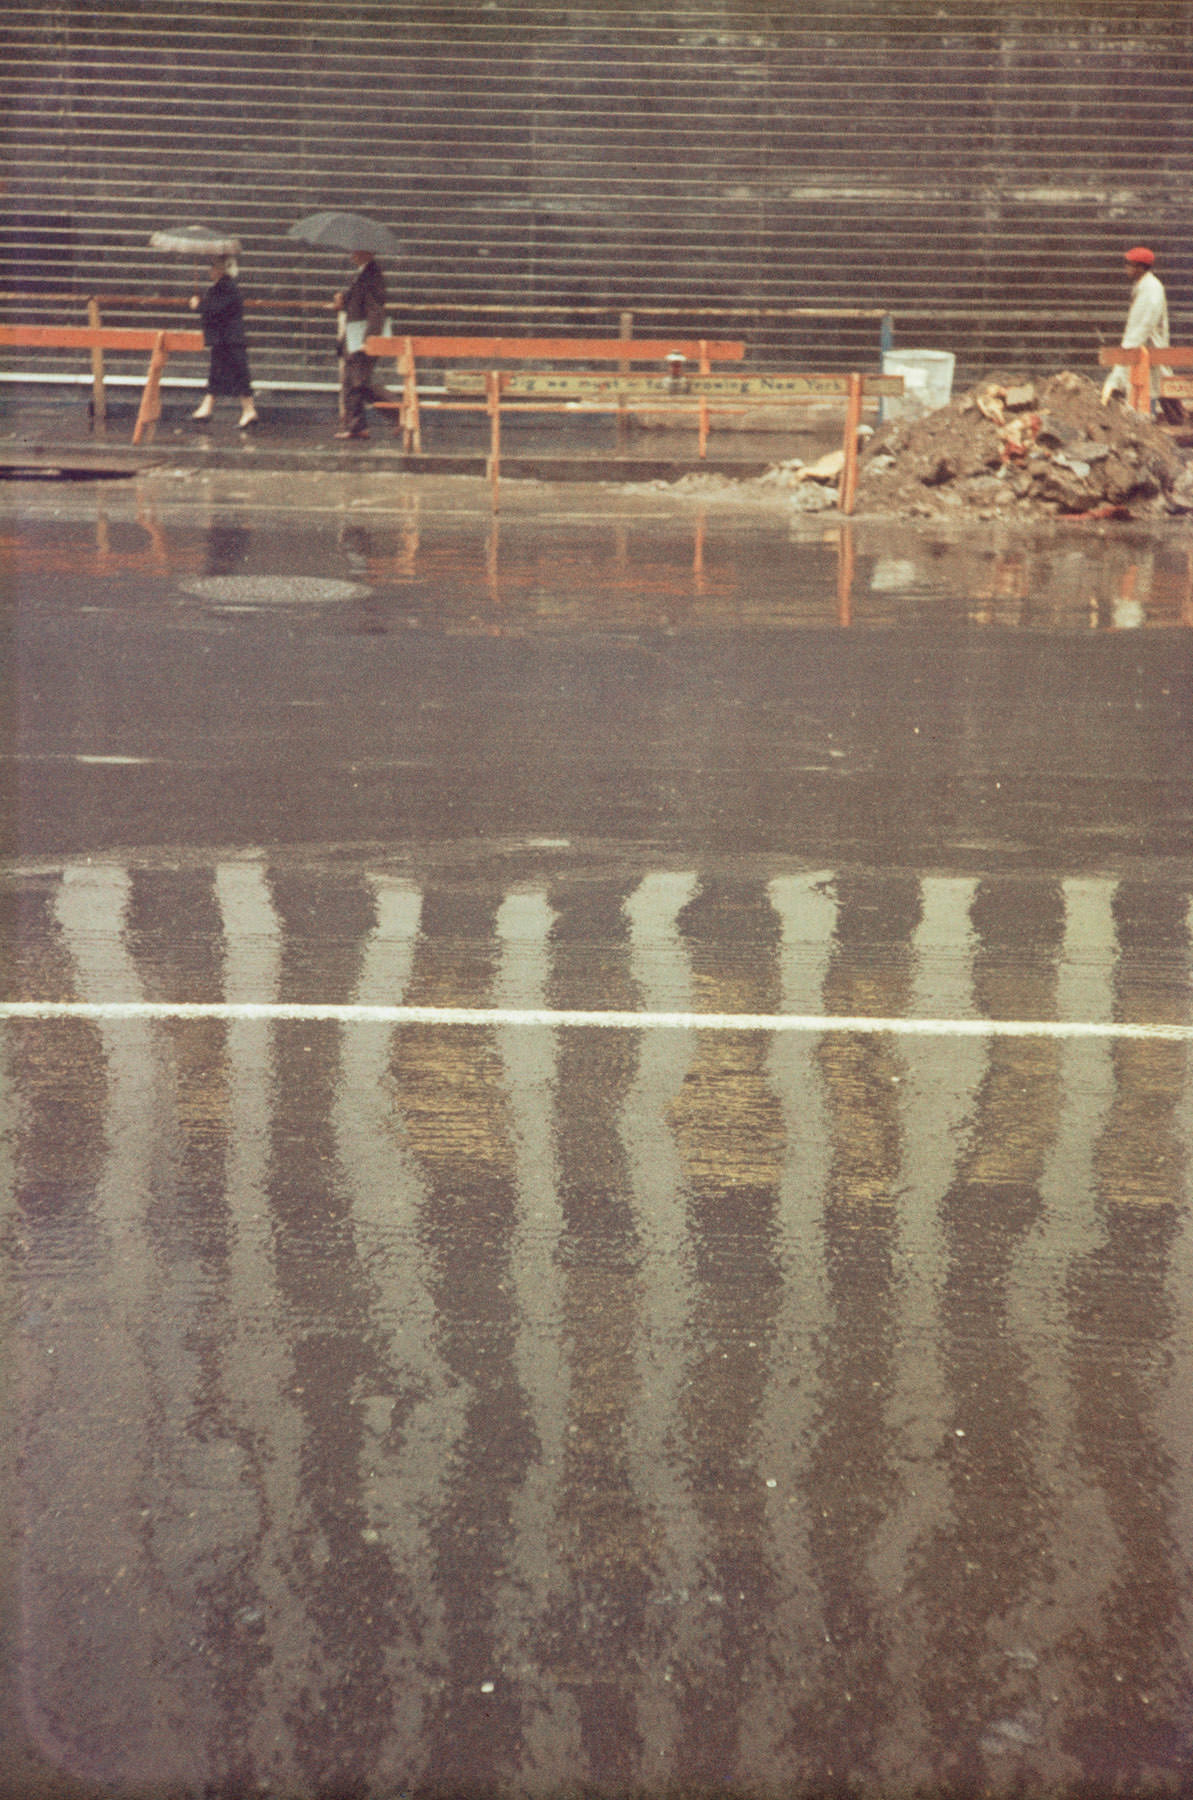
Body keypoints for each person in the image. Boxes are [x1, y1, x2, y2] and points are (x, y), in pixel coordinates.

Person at [1101, 245, 1182, 423]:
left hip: (1147, 349)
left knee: (1151, 388)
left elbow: (1143, 325)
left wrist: (1126, 352)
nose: (1126, 268)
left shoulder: (1151, 288)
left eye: (1129, 265)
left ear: (1140, 267)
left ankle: (1149, 420)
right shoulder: (1144, 286)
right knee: (1152, 387)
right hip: (1144, 350)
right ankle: (1167, 418)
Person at [189, 257, 257, 428]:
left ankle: (248, 410)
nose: (209, 271)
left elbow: (216, 309)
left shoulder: (226, 286)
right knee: (219, 373)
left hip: (229, 339)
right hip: (225, 339)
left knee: (237, 373)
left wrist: (199, 305)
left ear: (221, 270)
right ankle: (208, 408)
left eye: (213, 267)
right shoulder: (222, 286)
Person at [334, 249, 387, 440]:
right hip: (354, 335)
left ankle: (399, 413)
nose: (351, 255)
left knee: (358, 383)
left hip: (361, 337)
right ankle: (357, 427)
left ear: (367, 253)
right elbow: (358, 303)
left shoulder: (372, 276)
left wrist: (369, 340)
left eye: (355, 252)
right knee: (353, 382)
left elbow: (375, 310)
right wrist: (343, 301)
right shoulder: (362, 273)